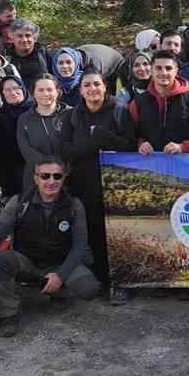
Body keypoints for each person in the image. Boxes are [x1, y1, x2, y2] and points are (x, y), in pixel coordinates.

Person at [0, 155, 103, 337]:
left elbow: (80, 247)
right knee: (0, 262)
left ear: (64, 178)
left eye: (57, 176)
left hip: (59, 262)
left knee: (89, 288)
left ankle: (58, 292)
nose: (51, 181)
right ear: (36, 178)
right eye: (45, 176)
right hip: (27, 261)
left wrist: (60, 275)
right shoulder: (18, 202)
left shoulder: (74, 205)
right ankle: (8, 315)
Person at [59, 71, 131, 297]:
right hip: (85, 186)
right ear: (80, 90)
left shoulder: (120, 110)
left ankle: (123, 283)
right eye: (87, 85)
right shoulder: (72, 116)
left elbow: (129, 146)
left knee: (119, 235)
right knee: (95, 235)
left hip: (117, 185)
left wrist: (103, 137)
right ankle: (103, 279)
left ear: (105, 86)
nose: (92, 89)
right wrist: (96, 141)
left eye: (96, 84)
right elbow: (66, 151)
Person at [125, 50, 189, 155]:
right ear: (152, 71)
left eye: (168, 68)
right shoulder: (137, 102)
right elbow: (129, 134)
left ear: (176, 71)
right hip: (150, 165)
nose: (163, 73)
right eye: (158, 68)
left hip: (186, 164)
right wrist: (141, 144)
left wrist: (183, 147)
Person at [17, 76, 69, 194]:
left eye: (50, 89)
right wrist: (47, 169)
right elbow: (25, 148)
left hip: (67, 176)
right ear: (33, 93)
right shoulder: (24, 119)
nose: (45, 93)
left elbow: (75, 144)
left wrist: (61, 168)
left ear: (58, 92)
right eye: (40, 90)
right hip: (36, 178)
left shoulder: (70, 114)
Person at [6, 19, 55, 89]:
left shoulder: (45, 55)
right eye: (19, 36)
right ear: (12, 37)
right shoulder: (5, 56)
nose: (24, 40)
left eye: (28, 35)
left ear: (35, 38)